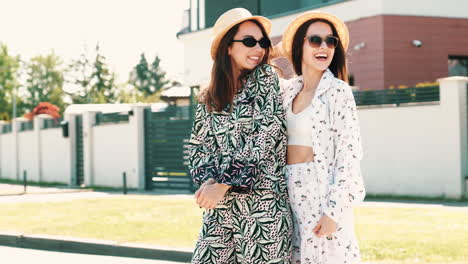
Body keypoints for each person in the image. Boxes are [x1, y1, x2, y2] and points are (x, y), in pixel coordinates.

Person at [188, 8, 293, 264]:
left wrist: (223, 184)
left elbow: (266, 134)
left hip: (263, 211)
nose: (258, 48)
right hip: (220, 211)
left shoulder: (267, 78)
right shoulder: (209, 98)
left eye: (263, 42)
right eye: (248, 41)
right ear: (227, 47)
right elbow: (198, 149)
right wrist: (208, 184)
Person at [274, 11, 366, 264]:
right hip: (286, 190)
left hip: (321, 190)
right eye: (315, 40)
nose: (324, 46)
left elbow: (349, 154)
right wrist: (277, 51)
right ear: (298, 46)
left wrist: (333, 212)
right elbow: (255, 71)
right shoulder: (288, 90)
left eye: (331, 41)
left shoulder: (338, 92)